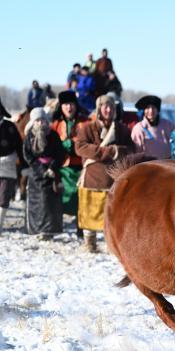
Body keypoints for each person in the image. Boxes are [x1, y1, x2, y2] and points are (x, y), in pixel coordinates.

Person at [75, 94, 136, 252]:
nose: (108, 110)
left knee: (112, 213)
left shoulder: (122, 129)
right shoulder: (87, 128)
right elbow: (80, 147)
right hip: (92, 177)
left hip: (113, 177)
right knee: (90, 210)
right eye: (105, 106)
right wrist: (104, 152)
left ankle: (111, 242)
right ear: (99, 109)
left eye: (111, 107)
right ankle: (90, 242)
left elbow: (131, 149)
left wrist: (117, 151)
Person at [23, 108, 65, 238]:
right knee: (38, 203)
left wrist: (52, 168)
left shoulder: (53, 135)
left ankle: (50, 231)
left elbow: (60, 153)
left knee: (50, 203)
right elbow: (28, 156)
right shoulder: (29, 137)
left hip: (52, 174)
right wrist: (41, 169)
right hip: (36, 174)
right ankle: (37, 230)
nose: (40, 123)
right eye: (37, 120)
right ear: (33, 122)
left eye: (42, 120)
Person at [50, 90, 88, 226]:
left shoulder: (85, 123)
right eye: (65, 104)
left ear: (76, 105)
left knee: (80, 197)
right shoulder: (56, 124)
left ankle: (80, 225)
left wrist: (75, 144)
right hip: (62, 167)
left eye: (71, 104)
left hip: (81, 166)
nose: (69, 107)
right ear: (61, 106)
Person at [0, 98, 23, 234]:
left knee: (3, 198)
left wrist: (24, 166)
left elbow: (19, 146)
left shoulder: (10, 127)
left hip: (7, 165)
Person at [131, 95, 175, 159]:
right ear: (144, 110)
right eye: (148, 108)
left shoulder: (167, 125)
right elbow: (136, 152)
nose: (151, 111)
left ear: (158, 110)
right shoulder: (138, 128)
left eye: (154, 107)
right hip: (148, 165)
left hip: (167, 164)